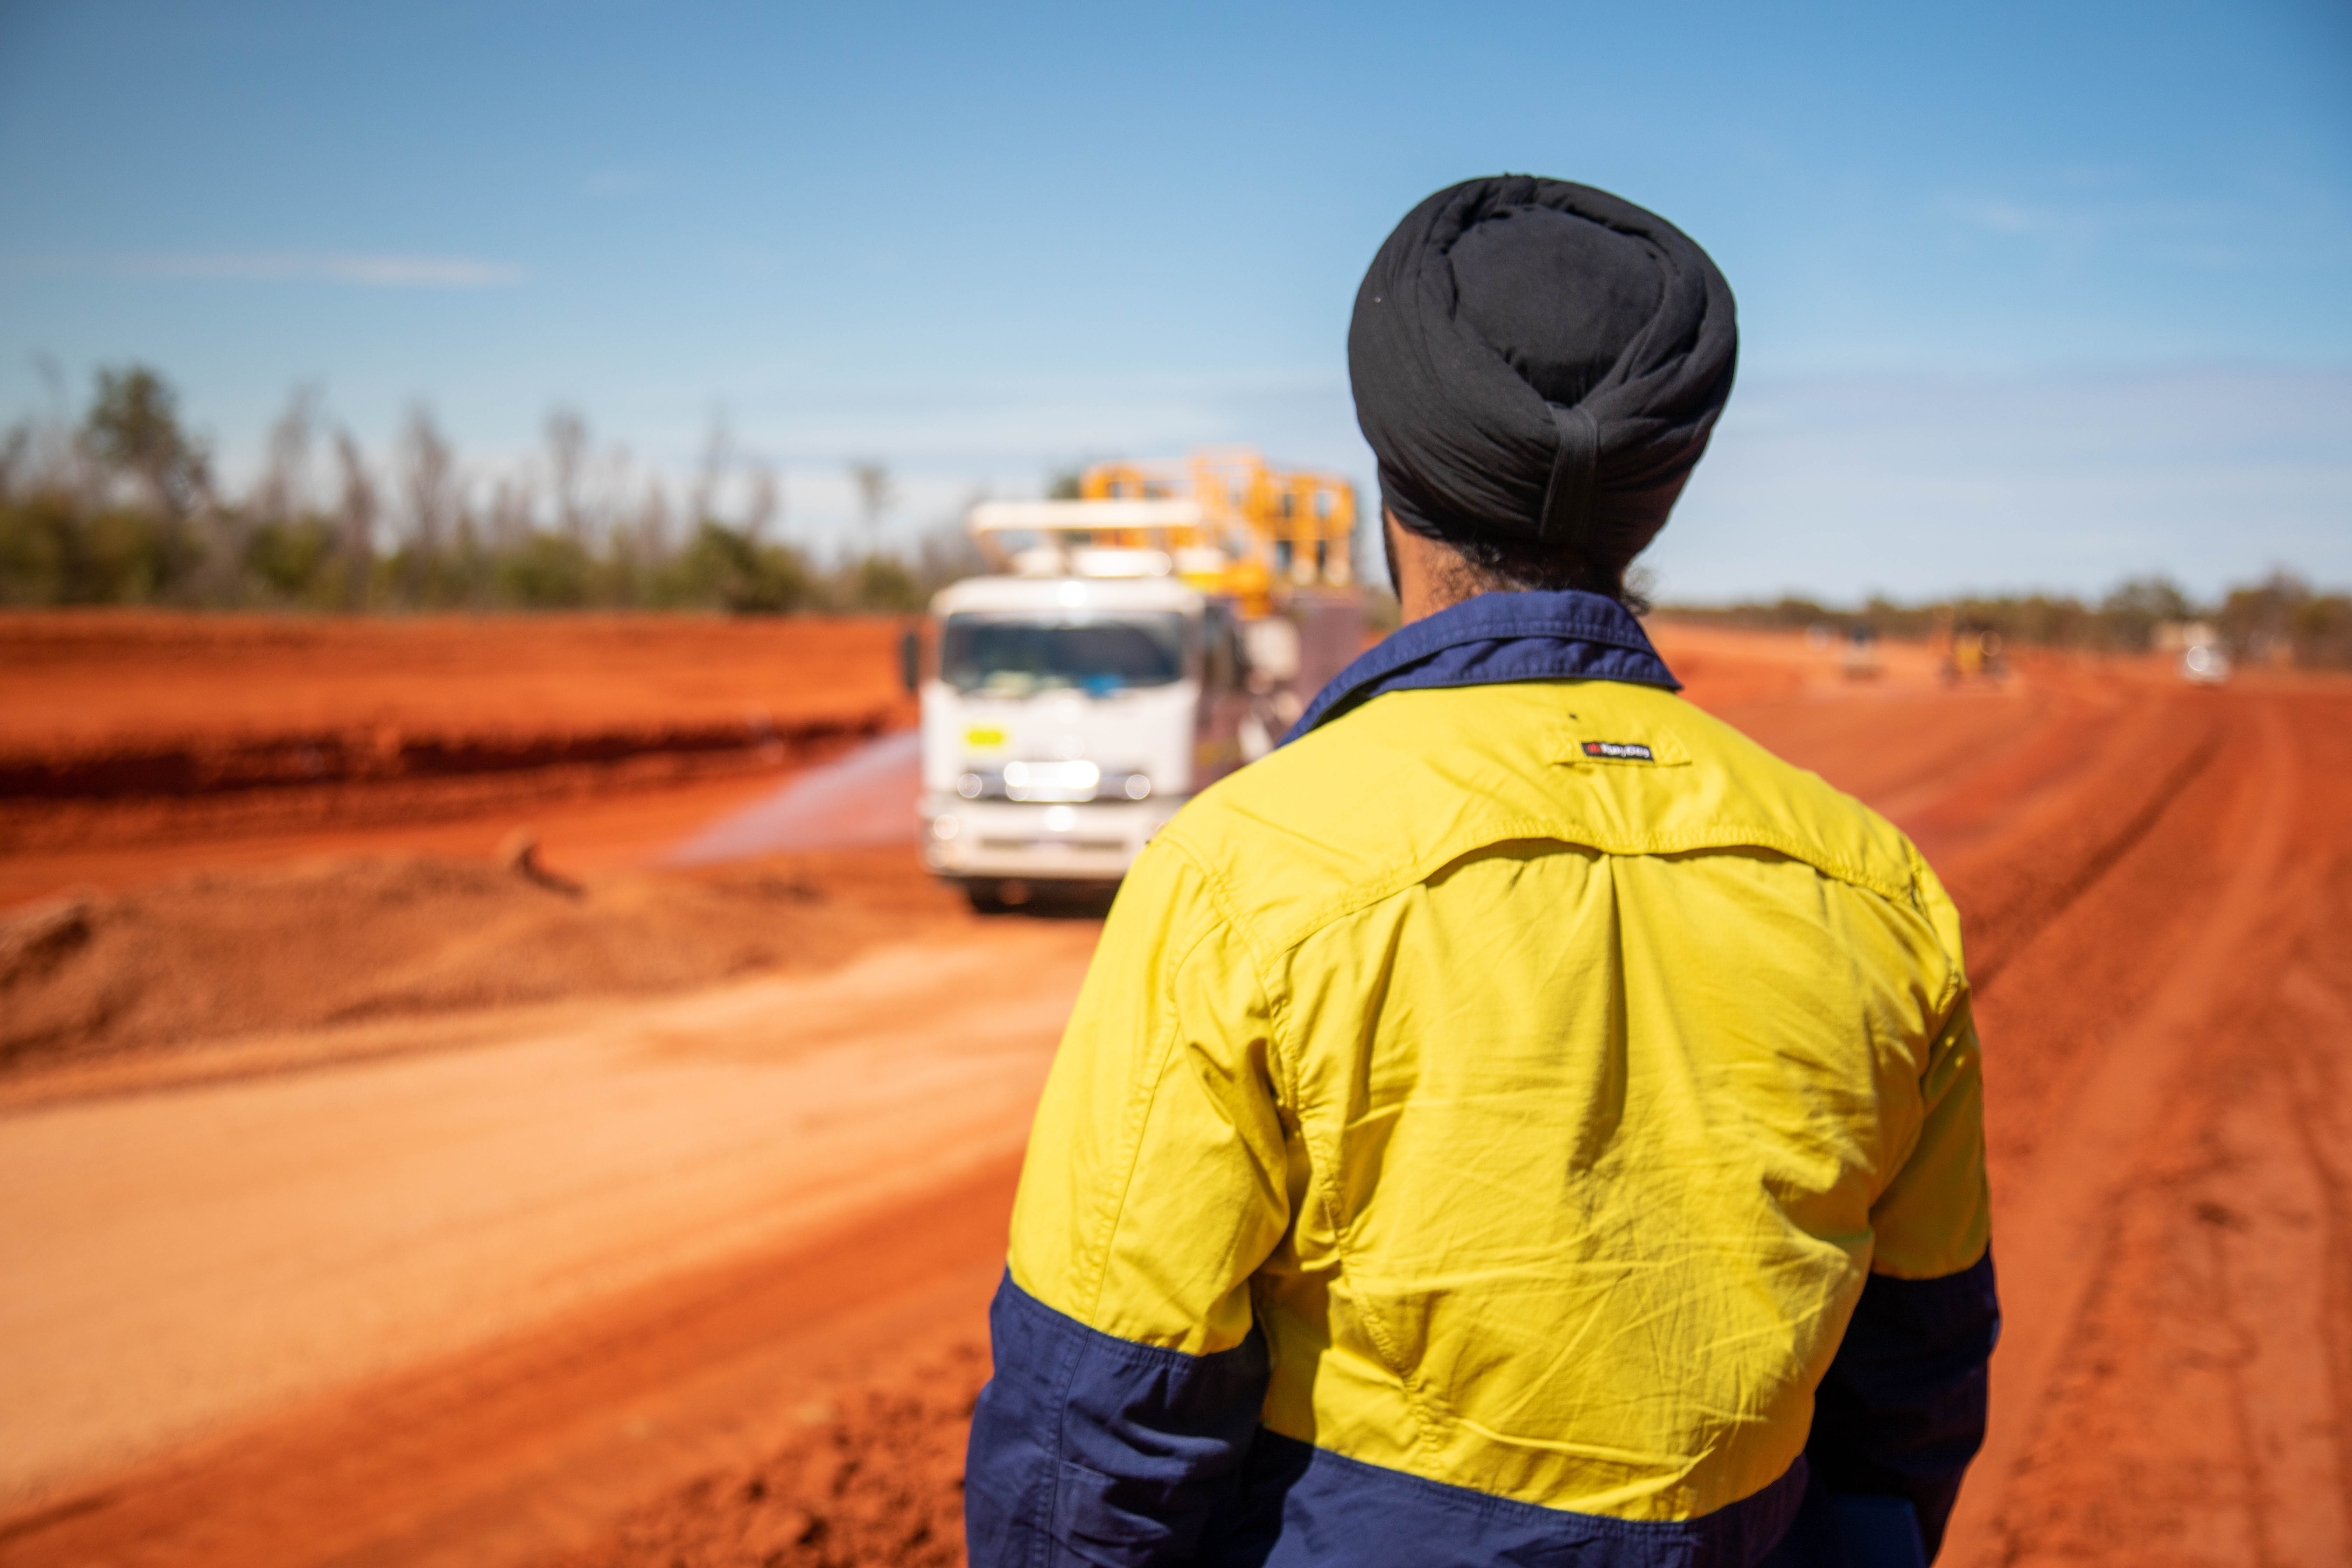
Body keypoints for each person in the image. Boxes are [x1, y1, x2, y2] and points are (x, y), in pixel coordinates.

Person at [964, 175, 1997, 1568]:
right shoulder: (1879, 891)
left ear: (1392, 482)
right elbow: (1909, 1400)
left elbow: (1096, 1434)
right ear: (1665, 492)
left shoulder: (1240, 875)